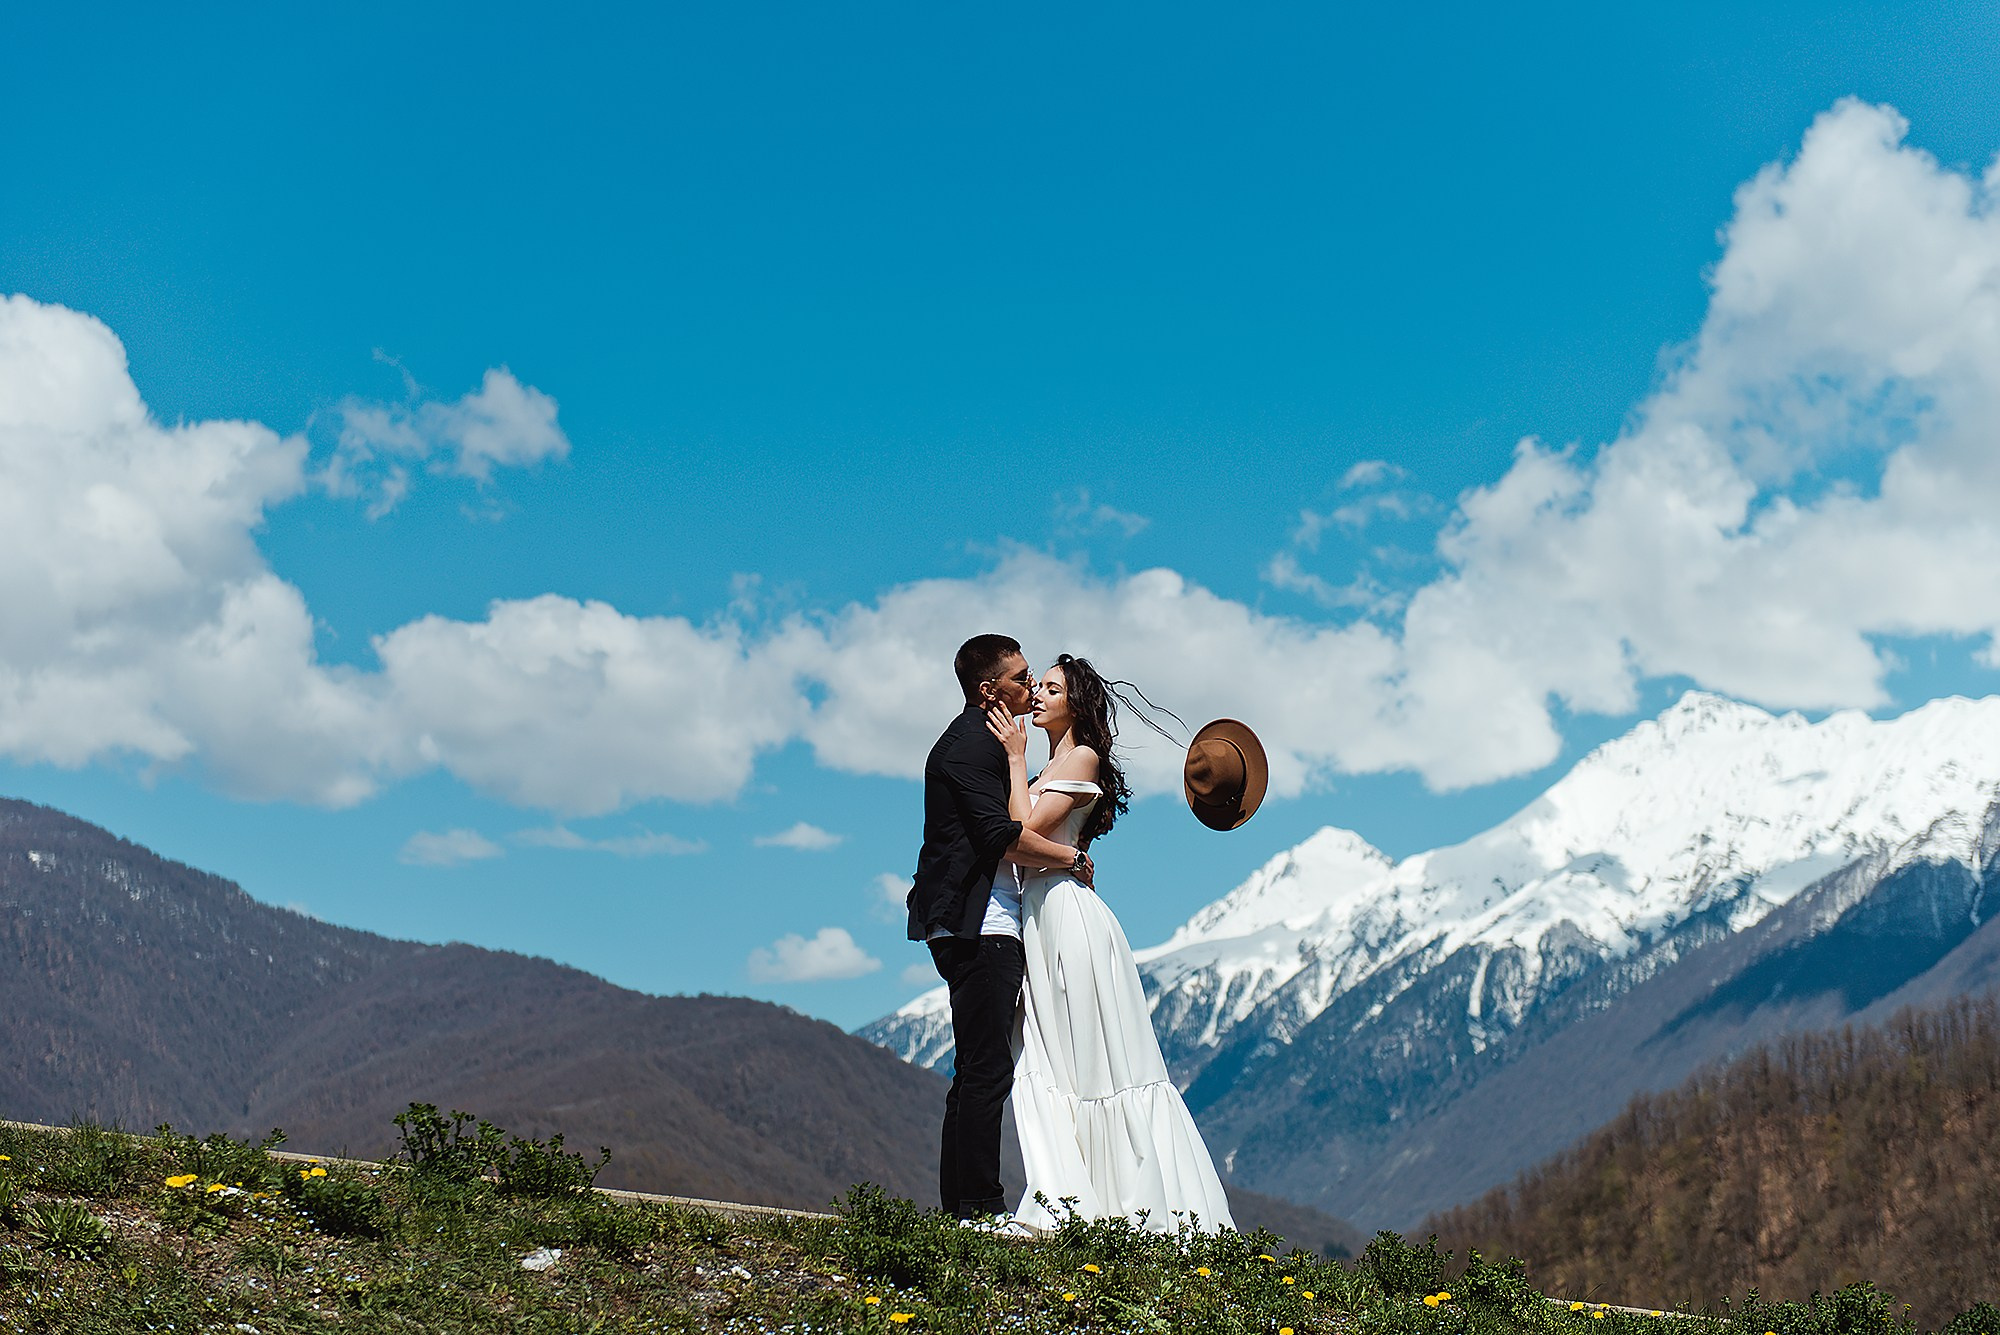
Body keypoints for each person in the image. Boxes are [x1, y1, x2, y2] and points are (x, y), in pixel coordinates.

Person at [984, 654, 1236, 1234]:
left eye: (1052, 688)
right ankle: (1078, 1197)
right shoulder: (1053, 762)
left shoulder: (1081, 757)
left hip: (1068, 919)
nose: (1038, 694)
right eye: (1037, 685)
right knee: (1058, 1057)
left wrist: (1017, 758)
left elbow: (1022, 832)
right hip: (1041, 916)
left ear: (1076, 703)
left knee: (1096, 1059)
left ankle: (1131, 1201)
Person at [908, 633, 1095, 1221]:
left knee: (975, 1070)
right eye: (1020, 678)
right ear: (989, 691)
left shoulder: (981, 743)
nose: (1030, 686)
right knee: (987, 1069)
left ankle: (959, 1207)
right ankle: (980, 1209)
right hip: (979, 925)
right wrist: (1072, 860)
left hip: (975, 921)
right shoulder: (971, 748)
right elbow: (999, 836)